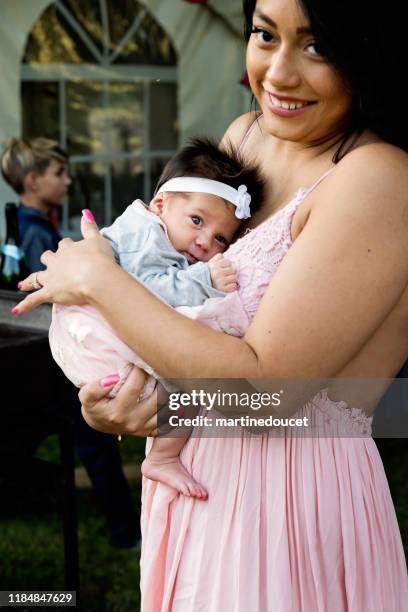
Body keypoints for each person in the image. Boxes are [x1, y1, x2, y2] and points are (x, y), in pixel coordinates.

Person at [15, 0, 408, 609]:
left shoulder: (379, 177)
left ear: (368, 49)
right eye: (263, 35)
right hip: (195, 475)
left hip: (289, 499)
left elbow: (269, 393)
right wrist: (137, 404)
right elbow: (185, 314)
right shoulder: (245, 136)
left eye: (316, 45)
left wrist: (99, 281)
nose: (277, 73)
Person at [49, 138, 265, 498]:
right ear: (160, 204)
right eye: (196, 221)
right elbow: (146, 292)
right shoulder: (146, 234)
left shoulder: (164, 233)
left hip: (95, 339)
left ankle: (163, 454)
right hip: (96, 336)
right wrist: (204, 280)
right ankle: (163, 457)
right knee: (191, 378)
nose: (205, 243)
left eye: (221, 239)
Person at [1, 137, 140, 549]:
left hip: (48, 355)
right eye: (58, 173)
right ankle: (125, 531)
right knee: (94, 442)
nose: (67, 180)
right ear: (32, 180)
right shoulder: (31, 234)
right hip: (53, 358)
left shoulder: (34, 224)